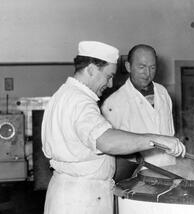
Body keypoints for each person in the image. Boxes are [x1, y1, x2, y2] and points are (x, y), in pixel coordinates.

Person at [41, 41, 185, 214]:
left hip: (74, 193)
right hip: (82, 199)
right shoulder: (80, 101)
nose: (109, 84)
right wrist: (155, 139)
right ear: (91, 69)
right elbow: (105, 140)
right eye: (108, 76)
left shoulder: (65, 94)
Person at [101, 44, 176, 167]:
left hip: (171, 168)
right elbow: (111, 147)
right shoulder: (113, 103)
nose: (147, 73)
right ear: (128, 66)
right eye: (142, 67)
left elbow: (169, 133)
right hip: (138, 175)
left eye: (152, 67)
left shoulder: (162, 92)